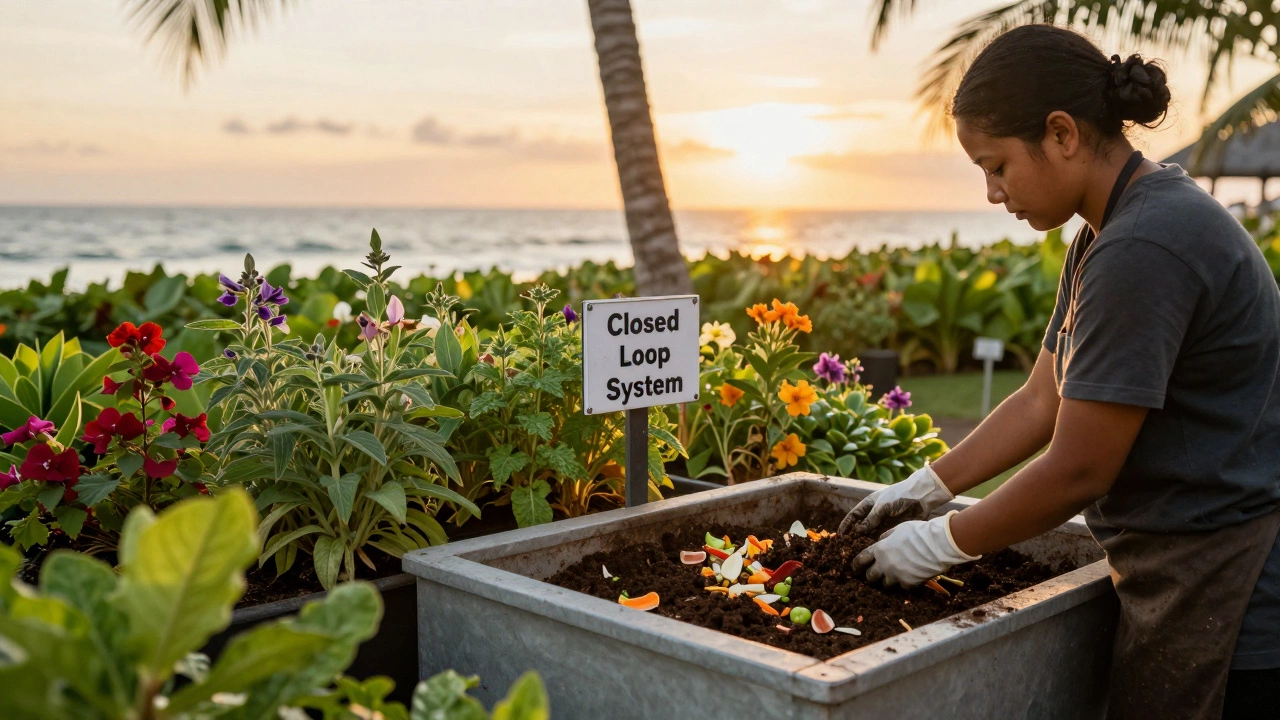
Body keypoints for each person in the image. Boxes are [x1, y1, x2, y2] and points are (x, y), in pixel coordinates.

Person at [840, 24, 1280, 720]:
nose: (992, 192)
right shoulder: (1109, 227)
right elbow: (1042, 398)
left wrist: (942, 542)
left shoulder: (1144, 245)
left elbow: (1079, 469)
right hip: (1178, 562)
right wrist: (929, 485)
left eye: (998, 165)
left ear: (1062, 134)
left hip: (1234, 596)